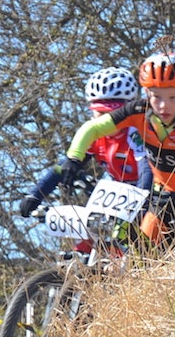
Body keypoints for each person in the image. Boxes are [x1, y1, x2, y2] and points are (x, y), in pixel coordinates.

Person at [49, 51, 175, 248]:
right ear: (146, 94)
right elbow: (92, 128)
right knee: (142, 253)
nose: (163, 106)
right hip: (164, 196)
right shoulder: (138, 111)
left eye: (172, 97)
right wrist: (74, 157)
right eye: (156, 96)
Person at [19, 66, 152, 222]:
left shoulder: (137, 132)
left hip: (153, 191)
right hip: (121, 192)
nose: (107, 121)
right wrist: (36, 194)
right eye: (101, 114)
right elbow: (62, 167)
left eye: (115, 114)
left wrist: (141, 205)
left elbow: (147, 171)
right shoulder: (94, 134)